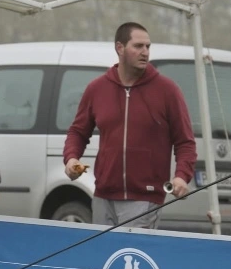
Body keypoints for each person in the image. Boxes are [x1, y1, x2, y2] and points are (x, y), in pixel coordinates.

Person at [64, 21, 197, 229]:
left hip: (145, 198)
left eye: (148, 46)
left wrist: (181, 177)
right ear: (120, 48)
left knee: (130, 250)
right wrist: (71, 158)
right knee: (103, 251)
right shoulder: (96, 89)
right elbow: (78, 132)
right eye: (138, 46)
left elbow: (185, 142)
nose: (145, 52)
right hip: (103, 196)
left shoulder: (168, 90)